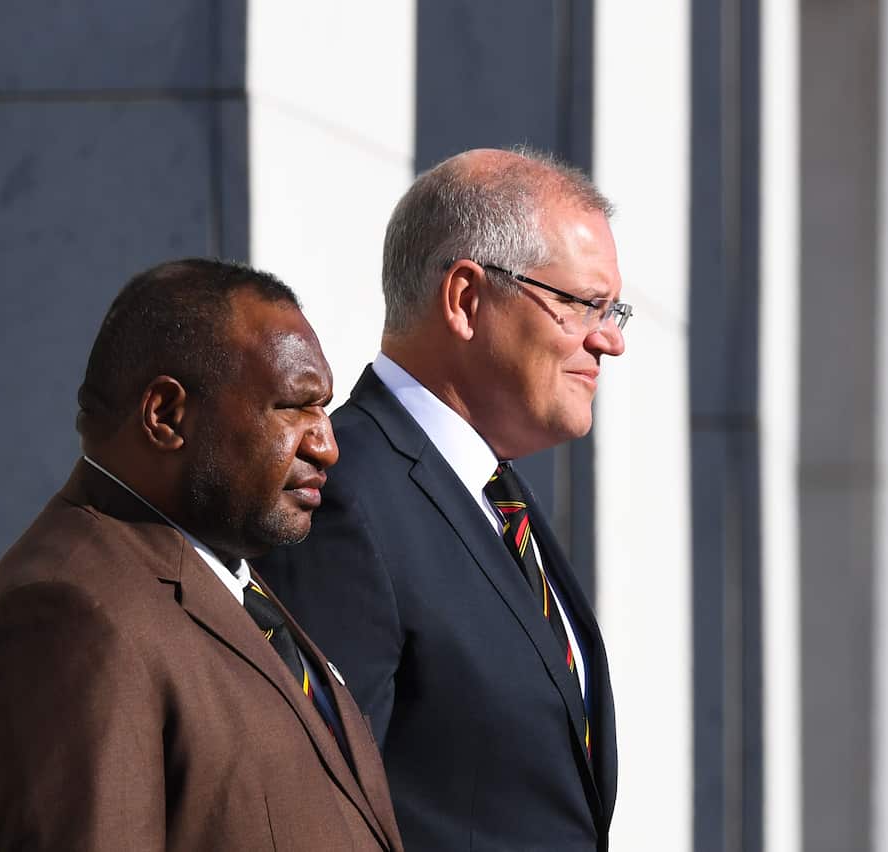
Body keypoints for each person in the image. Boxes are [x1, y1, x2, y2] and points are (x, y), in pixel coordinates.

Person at [0, 258, 404, 851]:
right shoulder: (68, 618)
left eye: (325, 410)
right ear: (166, 415)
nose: (326, 445)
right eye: (292, 407)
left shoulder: (228, 579)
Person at [257, 148, 629, 851]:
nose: (609, 341)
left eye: (616, 311)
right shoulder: (343, 496)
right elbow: (314, 815)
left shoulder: (497, 498)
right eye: (585, 304)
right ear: (465, 300)